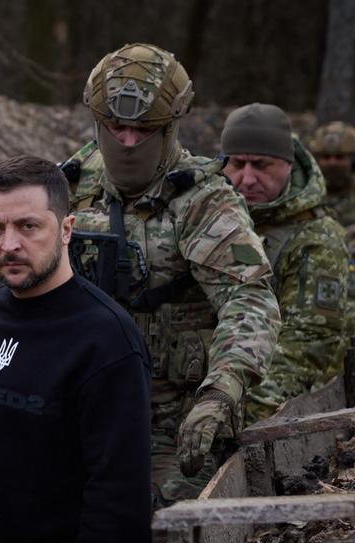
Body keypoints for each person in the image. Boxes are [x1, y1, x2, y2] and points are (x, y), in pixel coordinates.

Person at [62, 43, 282, 506]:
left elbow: (250, 299)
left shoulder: (203, 200)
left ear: (170, 127)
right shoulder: (74, 184)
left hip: (171, 419)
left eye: (143, 130)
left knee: (158, 534)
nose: (127, 142)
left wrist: (221, 391)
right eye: (115, 127)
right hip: (81, 403)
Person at [0, 155, 152, 543]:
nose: (10, 244)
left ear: (66, 229)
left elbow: (120, 487)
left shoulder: (105, 340)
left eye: (28, 226)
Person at [220, 104, 355, 423]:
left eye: (261, 165)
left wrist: (234, 415)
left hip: (269, 405)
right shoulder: (209, 220)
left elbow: (309, 348)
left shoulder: (316, 238)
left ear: (287, 164)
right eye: (237, 164)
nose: (248, 178)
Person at [308, 121, 355, 278]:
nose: (332, 163)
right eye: (326, 157)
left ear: (354, 161)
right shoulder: (306, 195)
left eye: (339, 157)